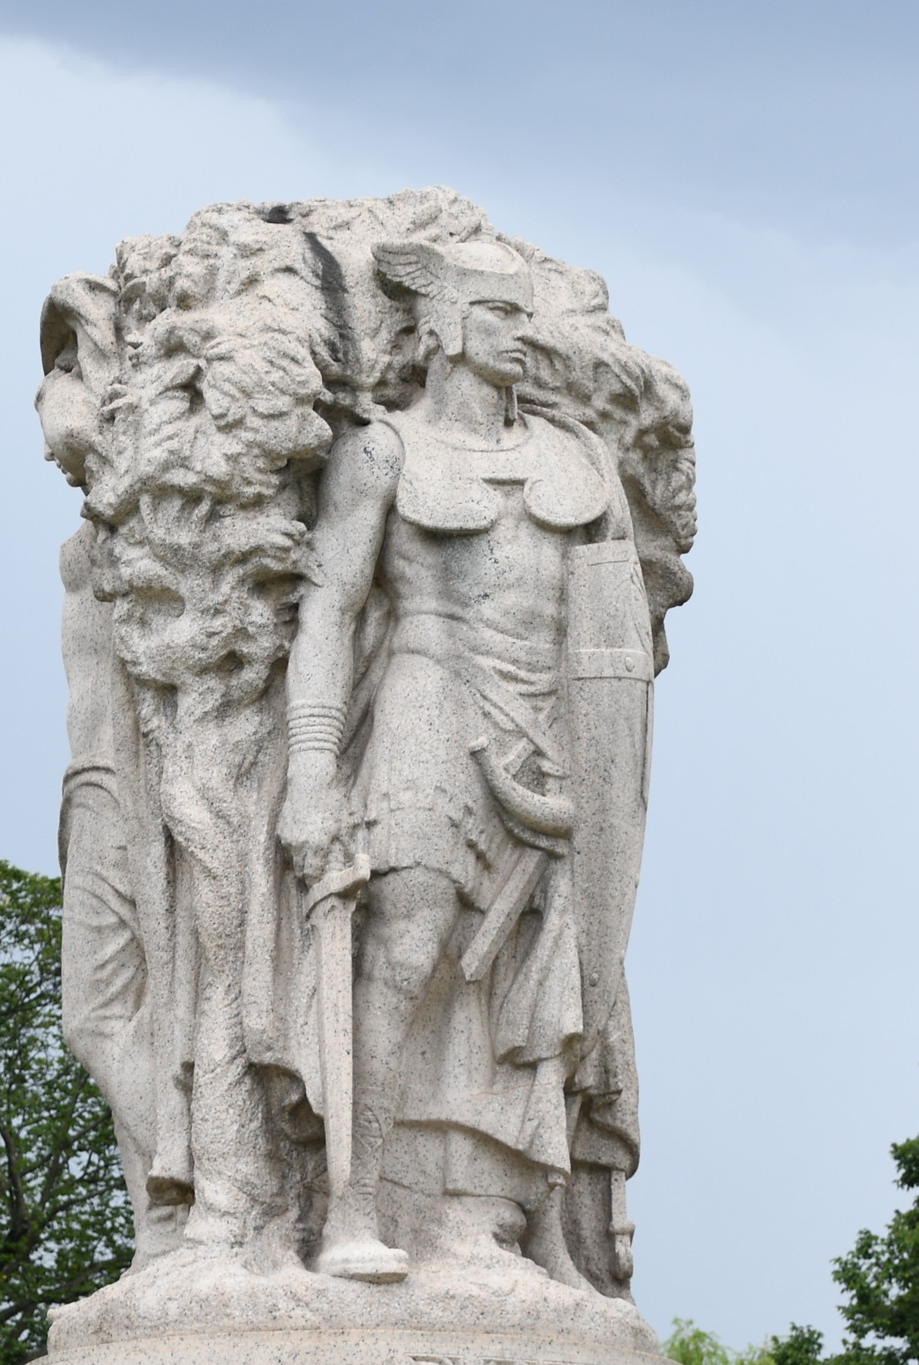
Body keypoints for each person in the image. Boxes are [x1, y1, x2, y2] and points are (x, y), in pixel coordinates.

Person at [280, 237, 638, 1287]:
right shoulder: (386, 449)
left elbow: (618, 636)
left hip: (552, 730)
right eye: (499, 314)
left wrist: (602, 773)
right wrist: (310, 769)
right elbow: (333, 605)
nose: (518, 334)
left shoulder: (579, 464)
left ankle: (494, 1218)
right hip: (427, 701)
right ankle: (354, 1203)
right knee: (408, 946)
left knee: (528, 981)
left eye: (525, 317)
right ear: (442, 324)